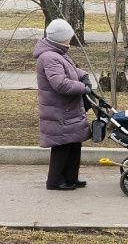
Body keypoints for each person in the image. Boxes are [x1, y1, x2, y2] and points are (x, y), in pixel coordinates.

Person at [33, 19, 93, 191]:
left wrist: (83, 75)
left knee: (74, 142)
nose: (70, 41)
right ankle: (54, 181)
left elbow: (70, 69)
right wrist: (83, 88)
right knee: (62, 145)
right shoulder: (49, 57)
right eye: (68, 38)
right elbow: (60, 84)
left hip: (67, 108)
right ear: (60, 38)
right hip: (59, 110)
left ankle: (70, 177)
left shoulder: (58, 52)